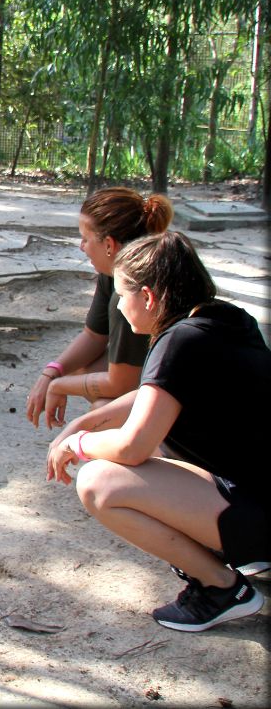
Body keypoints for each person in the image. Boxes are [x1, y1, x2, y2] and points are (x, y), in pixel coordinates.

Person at [46, 231, 270, 632]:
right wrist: (89, 421)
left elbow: (133, 446)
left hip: (256, 515)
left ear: (148, 297)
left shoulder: (178, 341)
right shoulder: (224, 321)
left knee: (99, 481)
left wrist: (78, 444)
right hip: (258, 500)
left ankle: (221, 588)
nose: (118, 304)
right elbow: (162, 394)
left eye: (121, 295)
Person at [26, 187, 172, 430]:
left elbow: (120, 385)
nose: (81, 247)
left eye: (85, 238)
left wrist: (58, 385)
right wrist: (52, 372)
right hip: (161, 378)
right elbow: (93, 335)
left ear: (109, 245)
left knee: (102, 413)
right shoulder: (114, 269)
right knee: (78, 369)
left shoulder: (131, 294)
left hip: (184, 396)